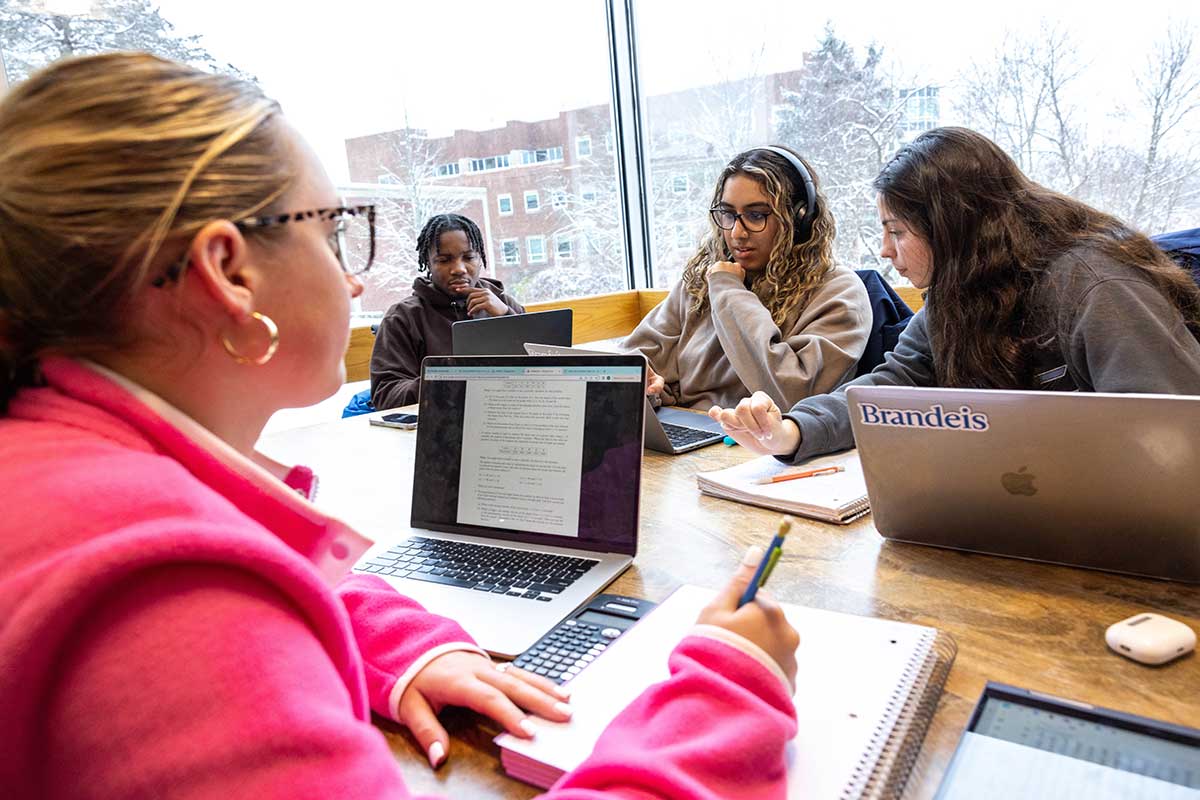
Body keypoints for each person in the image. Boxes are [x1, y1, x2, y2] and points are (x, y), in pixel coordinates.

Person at [0, 53, 801, 798]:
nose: (351, 277)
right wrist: (727, 690)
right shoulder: (171, 600)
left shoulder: (57, 472)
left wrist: (398, 642)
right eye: (332, 228)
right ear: (229, 273)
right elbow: (202, 631)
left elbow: (282, 579)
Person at [710, 126, 1200, 463]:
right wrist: (790, 432)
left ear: (954, 226)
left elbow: (1171, 437)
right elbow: (893, 386)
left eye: (896, 231)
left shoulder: (1097, 286)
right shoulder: (959, 289)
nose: (885, 251)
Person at [624, 145, 871, 410]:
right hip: (693, 434)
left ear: (799, 219)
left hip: (767, 445)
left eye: (756, 215)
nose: (737, 233)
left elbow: (790, 395)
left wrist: (729, 292)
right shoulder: (703, 278)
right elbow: (632, 364)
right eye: (729, 214)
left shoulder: (837, 291)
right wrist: (652, 388)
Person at [369, 213, 524, 410]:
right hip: (440, 427)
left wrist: (507, 317)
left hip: (505, 416)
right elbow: (386, 395)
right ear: (428, 263)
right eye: (444, 260)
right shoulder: (403, 317)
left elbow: (547, 374)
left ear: (480, 259)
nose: (459, 269)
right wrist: (444, 378)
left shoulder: (504, 304)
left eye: (468, 257)